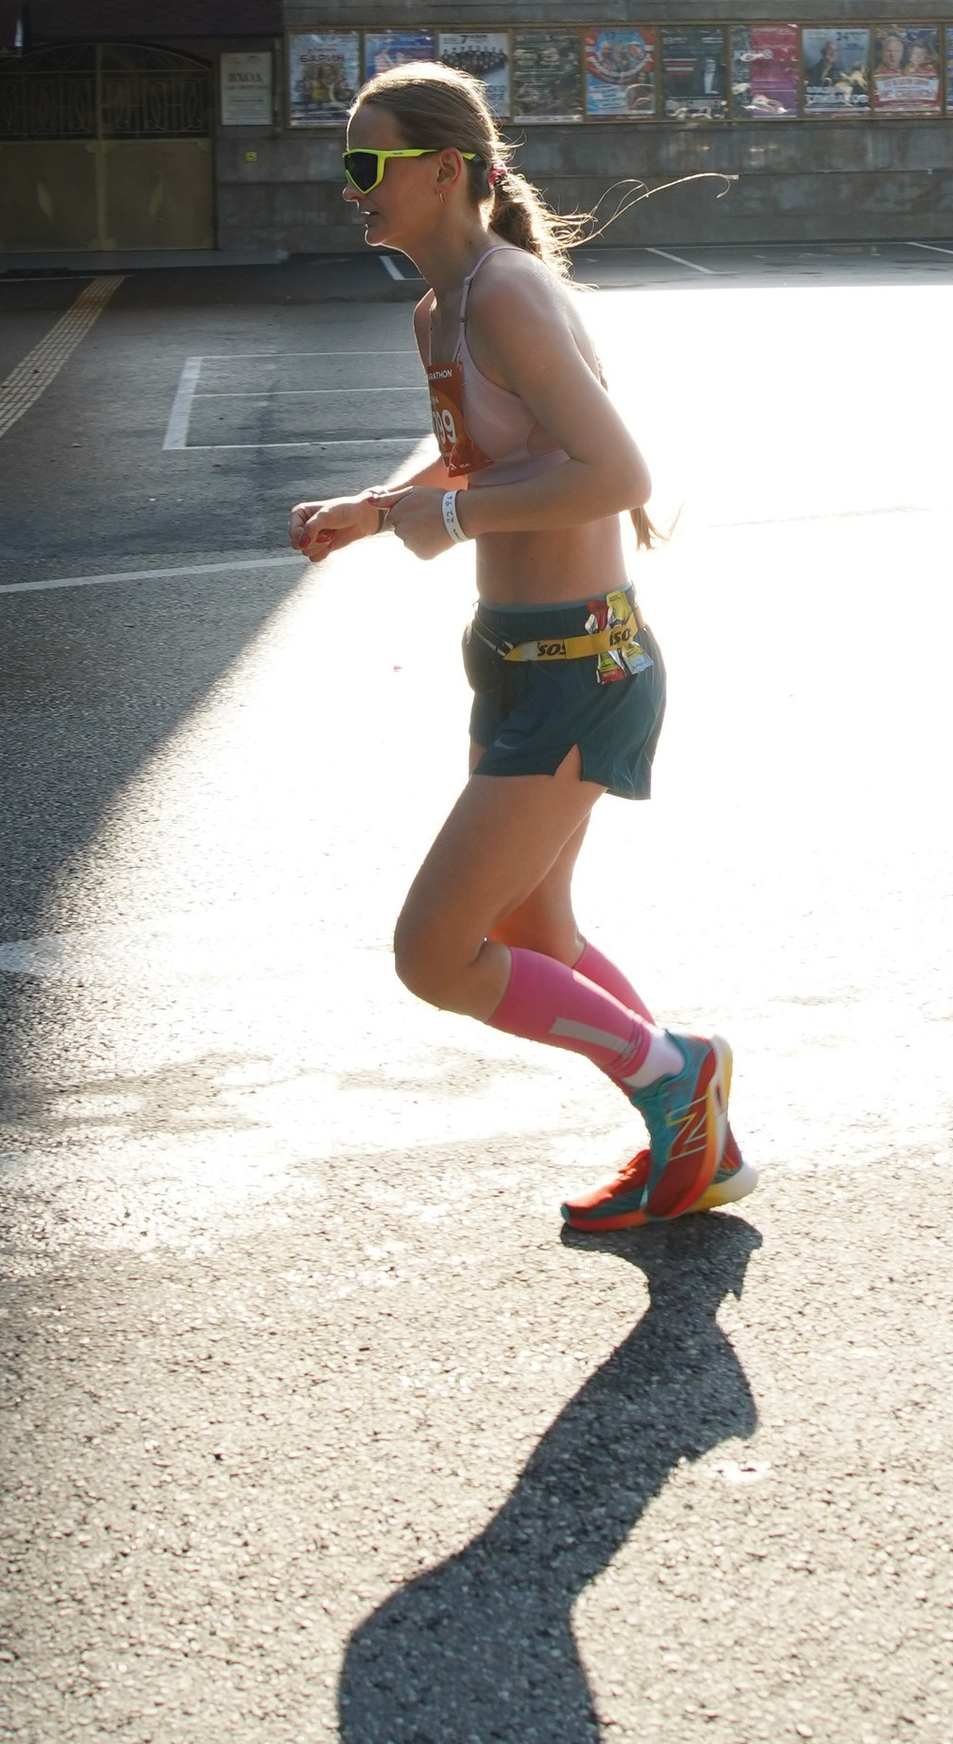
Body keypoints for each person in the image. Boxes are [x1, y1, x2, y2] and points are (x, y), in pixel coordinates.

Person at [288, 60, 748, 1232]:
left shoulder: (503, 293)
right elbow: (472, 452)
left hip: (584, 667)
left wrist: (444, 518)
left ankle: (673, 1080)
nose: (353, 188)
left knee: (437, 954)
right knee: (534, 932)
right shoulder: (444, 307)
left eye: (368, 165)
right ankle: (703, 1143)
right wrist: (378, 504)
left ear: (446, 171)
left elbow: (616, 472)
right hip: (517, 656)